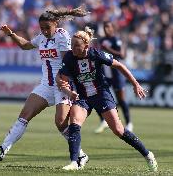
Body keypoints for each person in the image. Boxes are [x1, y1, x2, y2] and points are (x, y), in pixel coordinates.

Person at [0, 6, 89, 168]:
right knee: (24, 115)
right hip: (46, 85)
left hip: (62, 85)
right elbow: (26, 45)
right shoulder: (41, 37)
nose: (45, 31)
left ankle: (80, 155)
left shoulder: (62, 36)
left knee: (61, 123)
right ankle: (2, 149)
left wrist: (67, 84)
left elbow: (67, 62)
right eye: (42, 28)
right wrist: (11, 34)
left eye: (48, 28)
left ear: (56, 24)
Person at [56, 27, 158, 171]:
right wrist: (69, 91)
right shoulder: (69, 57)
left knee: (118, 130)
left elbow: (120, 65)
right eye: (71, 45)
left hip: (102, 95)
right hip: (83, 97)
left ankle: (148, 154)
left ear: (86, 45)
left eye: (76, 45)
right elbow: (63, 81)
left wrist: (135, 84)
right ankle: (74, 162)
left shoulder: (96, 54)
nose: (73, 48)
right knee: (74, 123)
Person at [94, 21, 133, 133]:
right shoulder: (101, 41)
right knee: (97, 98)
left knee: (121, 99)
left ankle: (129, 123)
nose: (106, 29)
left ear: (112, 28)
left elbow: (122, 55)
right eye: (105, 27)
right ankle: (103, 121)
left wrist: (108, 49)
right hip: (105, 74)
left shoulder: (116, 40)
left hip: (117, 74)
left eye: (108, 27)